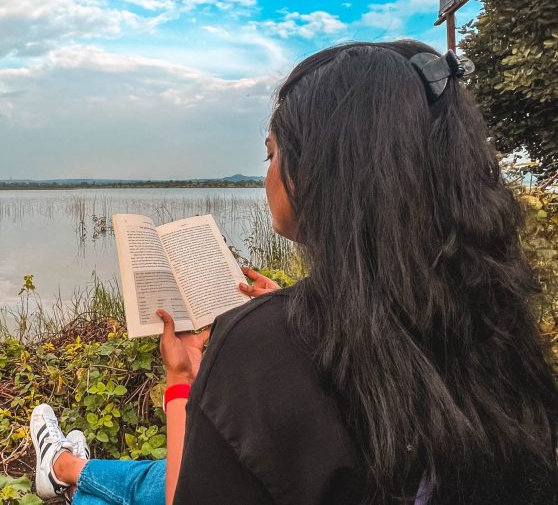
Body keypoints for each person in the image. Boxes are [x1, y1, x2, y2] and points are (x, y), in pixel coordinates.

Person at [29, 40, 558, 504]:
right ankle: (66, 469)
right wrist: (308, 311)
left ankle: (63, 468)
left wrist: (182, 382)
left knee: (155, 482)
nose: (268, 174)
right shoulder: (490, 317)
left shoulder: (263, 346)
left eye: (272, 153)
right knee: (149, 477)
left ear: (320, 171)